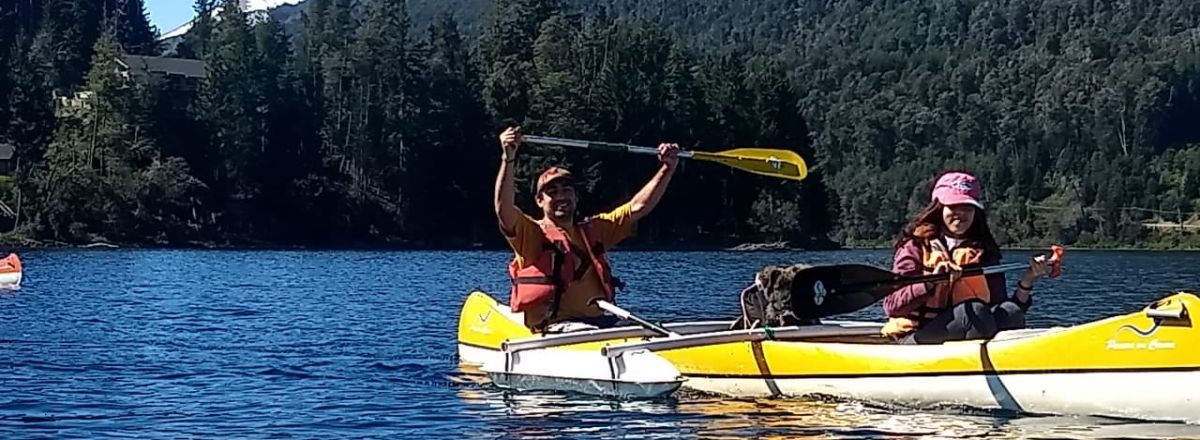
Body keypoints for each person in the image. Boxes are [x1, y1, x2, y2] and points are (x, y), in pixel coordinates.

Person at [494, 126, 680, 333]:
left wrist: (667, 168)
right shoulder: (531, 234)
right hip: (557, 328)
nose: (561, 197)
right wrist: (508, 158)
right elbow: (504, 209)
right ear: (539, 201)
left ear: (576, 197)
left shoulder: (593, 230)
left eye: (567, 190)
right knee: (587, 331)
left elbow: (638, 207)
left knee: (648, 331)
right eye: (552, 192)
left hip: (598, 322)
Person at [881, 171, 1054, 344]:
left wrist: (1028, 280)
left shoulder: (981, 252)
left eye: (967, 207)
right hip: (914, 338)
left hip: (961, 334)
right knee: (974, 312)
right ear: (939, 207)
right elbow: (892, 306)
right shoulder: (915, 246)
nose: (961, 213)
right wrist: (930, 281)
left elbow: (1001, 306)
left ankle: (1000, 367)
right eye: (953, 206)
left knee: (1011, 312)